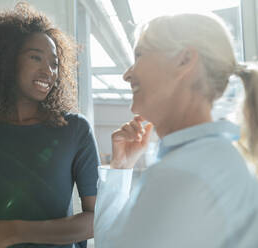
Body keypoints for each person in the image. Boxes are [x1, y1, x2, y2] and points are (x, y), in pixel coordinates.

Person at [94, 13, 258, 247]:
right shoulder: (210, 159)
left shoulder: (186, 171)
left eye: (139, 55)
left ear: (185, 60)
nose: (127, 74)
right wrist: (121, 167)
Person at [0, 3, 99, 248]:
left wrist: (13, 231)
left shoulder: (75, 129)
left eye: (54, 63)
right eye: (36, 57)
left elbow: (95, 220)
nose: (48, 71)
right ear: (5, 61)